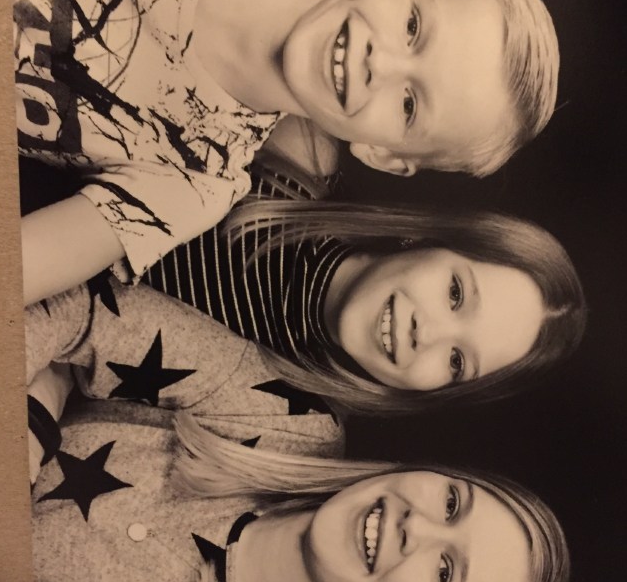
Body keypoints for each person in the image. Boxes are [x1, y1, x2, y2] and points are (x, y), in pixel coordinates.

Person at [26, 279, 569, 582]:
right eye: (451, 503)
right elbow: (77, 306)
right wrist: (30, 424)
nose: (417, 526)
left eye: (444, 573)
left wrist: (38, 395)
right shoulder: (294, 419)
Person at [12, 0, 559, 306]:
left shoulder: (195, 182)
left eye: (410, 105)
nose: (382, 64)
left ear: (382, 154)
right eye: (413, 26)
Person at [144, 138, 587, 416]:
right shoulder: (294, 155)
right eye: (455, 294)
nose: (427, 334)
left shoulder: (291, 425)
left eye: (457, 362)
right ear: (426, 239)